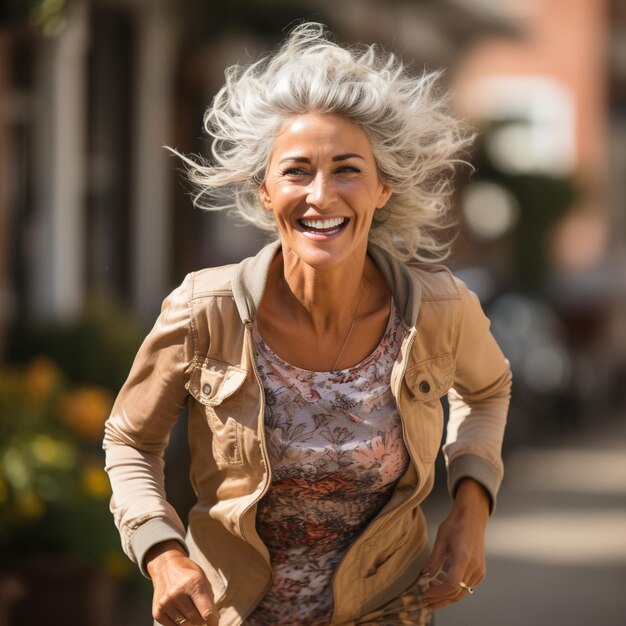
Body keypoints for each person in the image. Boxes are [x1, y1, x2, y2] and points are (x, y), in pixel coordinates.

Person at [103, 22, 511, 626]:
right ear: (266, 191)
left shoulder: (439, 310)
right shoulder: (204, 309)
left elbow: (487, 390)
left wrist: (470, 507)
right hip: (228, 612)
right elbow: (130, 440)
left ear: (381, 189)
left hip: (385, 607)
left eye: (347, 169)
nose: (320, 196)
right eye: (296, 171)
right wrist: (161, 552)